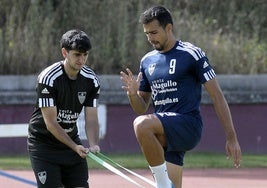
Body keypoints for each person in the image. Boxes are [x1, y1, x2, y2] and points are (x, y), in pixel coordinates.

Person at [120, 6, 242, 188]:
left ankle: (162, 185)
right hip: (164, 133)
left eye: (154, 32)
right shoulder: (147, 61)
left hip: (187, 125)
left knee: (141, 124)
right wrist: (132, 94)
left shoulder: (191, 54)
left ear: (169, 28)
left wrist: (231, 137)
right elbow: (141, 107)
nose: (150, 38)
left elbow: (217, 96)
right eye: (147, 34)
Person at [27, 29, 100, 188]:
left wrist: (93, 143)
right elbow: (51, 123)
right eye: (77, 55)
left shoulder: (91, 80)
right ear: (64, 52)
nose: (81, 60)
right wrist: (75, 147)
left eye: (85, 55)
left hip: (71, 143)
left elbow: (92, 118)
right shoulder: (48, 78)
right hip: (43, 145)